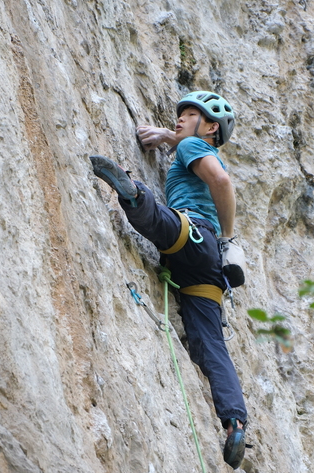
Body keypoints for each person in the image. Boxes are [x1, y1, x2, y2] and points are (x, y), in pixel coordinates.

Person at [89, 91, 247, 469]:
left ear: (210, 127)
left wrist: (227, 237)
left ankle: (132, 193)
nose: (180, 119)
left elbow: (221, 181)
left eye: (190, 114)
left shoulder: (194, 145)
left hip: (197, 235)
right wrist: (166, 136)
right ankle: (235, 423)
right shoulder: (191, 144)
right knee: (210, 344)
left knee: (161, 223)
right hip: (208, 274)